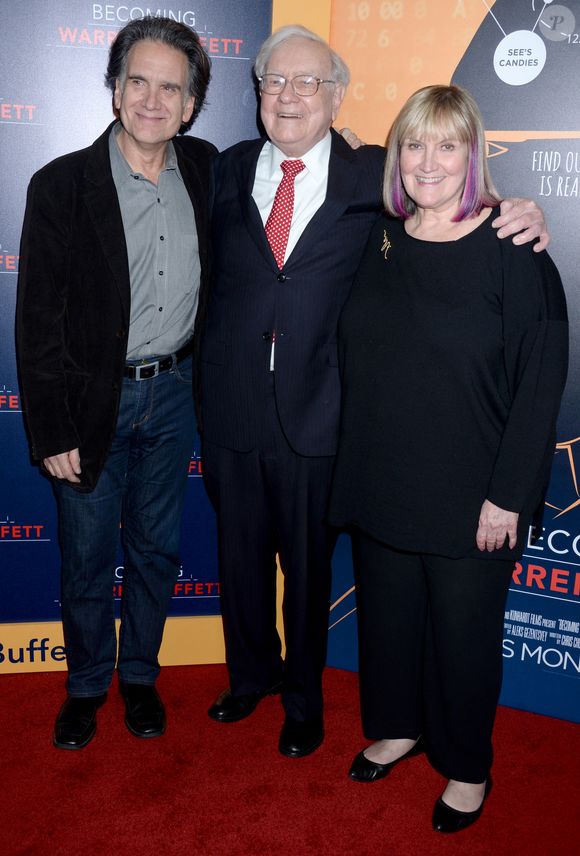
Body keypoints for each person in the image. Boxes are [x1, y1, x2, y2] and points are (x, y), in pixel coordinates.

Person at [201, 26, 549, 760]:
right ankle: (258, 681)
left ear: (336, 97)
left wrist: (525, 210)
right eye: (275, 83)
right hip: (257, 418)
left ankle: (315, 707)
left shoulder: (371, 181)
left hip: (325, 423)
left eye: (309, 83)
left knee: (314, 576)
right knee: (254, 569)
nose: (290, 96)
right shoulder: (224, 170)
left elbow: (534, 368)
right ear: (257, 93)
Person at [328, 84, 568, 831]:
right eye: (414, 144)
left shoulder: (512, 247)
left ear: (473, 155)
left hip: (473, 496)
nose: (427, 160)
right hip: (382, 478)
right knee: (389, 624)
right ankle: (398, 726)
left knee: (464, 642)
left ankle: (467, 765)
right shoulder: (379, 234)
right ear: (396, 154)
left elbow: (541, 380)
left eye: (447, 144)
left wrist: (509, 494)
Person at [16, 17, 214, 749]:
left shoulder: (208, 170)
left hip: (177, 395)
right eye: (139, 81)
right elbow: (37, 318)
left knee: (158, 548)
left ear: (191, 104)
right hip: (92, 400)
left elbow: (307, 169)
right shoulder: (61, 184)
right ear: (115, 89)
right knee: (88, 553)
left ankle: (139, 677)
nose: (153, 100)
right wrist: (53, 427)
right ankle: (87, 685)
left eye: (172, 87)